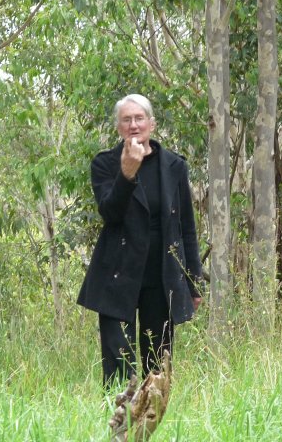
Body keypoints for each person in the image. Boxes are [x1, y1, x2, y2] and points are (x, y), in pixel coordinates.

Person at [77, 94, 203, 387]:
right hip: (117, 273)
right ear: (118, 127)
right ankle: (119, 425)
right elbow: (110, 212)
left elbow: (186, 227)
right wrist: (127, 173)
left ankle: (151, 425)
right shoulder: (105, 164)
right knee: (118, 367)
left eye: (139, 118)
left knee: (156, 366)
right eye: (126, 120)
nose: (133, 125)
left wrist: (192, 281)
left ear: (151, 124)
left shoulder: (174, 166)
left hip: (161, 276)